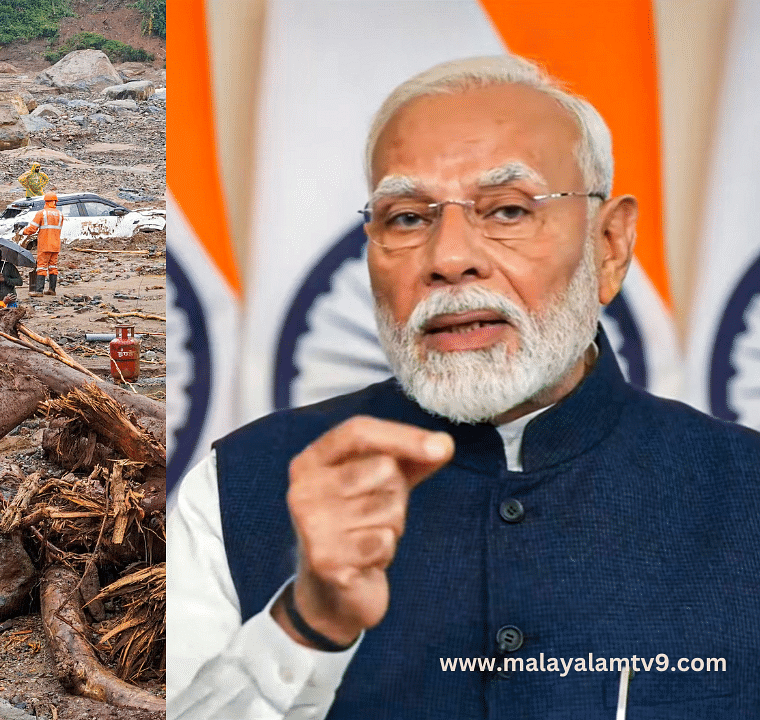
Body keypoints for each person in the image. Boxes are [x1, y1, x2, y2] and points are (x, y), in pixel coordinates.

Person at [168, 55, 760, 719]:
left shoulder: (745, 486)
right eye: (407, 218)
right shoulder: (234, 487)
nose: (448, 260)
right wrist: (306, 626)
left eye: (507, 210)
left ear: (610, 246)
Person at [19, 192, 62, 296]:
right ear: (55, 201)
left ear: (45, 201)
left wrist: (22, 232)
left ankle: (39, 291)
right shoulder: (60, 214)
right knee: (53, 267)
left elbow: (32, 229)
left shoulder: (41, 213)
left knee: (41, 267)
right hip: (56, 245)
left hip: (44, 244)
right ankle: (52, 289)